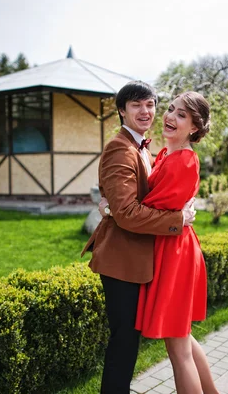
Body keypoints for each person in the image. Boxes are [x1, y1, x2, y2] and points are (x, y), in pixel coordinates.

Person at [81, 81, 196, 394]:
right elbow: (128, 213)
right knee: (124, 342)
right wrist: (178, 219)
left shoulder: (142, 147)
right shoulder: (120, 148)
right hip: (121, 260)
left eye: (150, 104)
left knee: (129, 341)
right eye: (136, 105)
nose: (145, 111)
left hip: (137, 258)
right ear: (122, 111)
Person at [100, 92, 219, 394]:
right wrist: (111, 204)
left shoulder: (183, 160)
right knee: (183, 339)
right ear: (122, 111)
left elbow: (141, 207)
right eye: (170, 109)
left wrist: (114, 207)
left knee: (178, 348)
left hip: (174, 251)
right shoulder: (165, 154)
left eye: (181, 115)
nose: (169, 116)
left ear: (194, 127)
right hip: (169, 246)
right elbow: (137, 204)